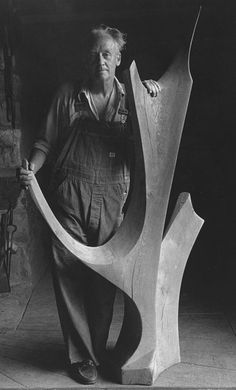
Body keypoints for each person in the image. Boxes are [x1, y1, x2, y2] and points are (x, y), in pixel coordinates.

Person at [19, 24, 160, 385]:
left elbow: (154, 134)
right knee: (68, 275)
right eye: (95, 53)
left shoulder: (133, 99)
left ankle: (96, 352)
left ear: (118, 59)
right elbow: (45, 142)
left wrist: (153, 96)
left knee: (103, 281)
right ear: (88, 57)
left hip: (113, 201)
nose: (101, 59)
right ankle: (82, 358)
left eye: (108, 53)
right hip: (69, 198)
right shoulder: (69, 96)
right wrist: (31, 167)